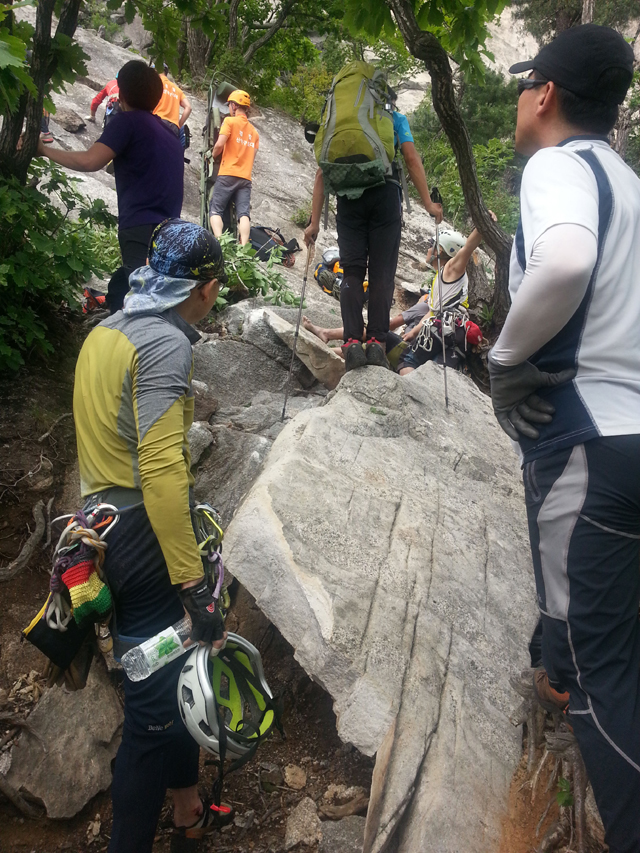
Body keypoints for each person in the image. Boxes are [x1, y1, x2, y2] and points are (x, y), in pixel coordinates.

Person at [487, 25, 638, 853]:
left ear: (543, 93)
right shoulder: (630, 182)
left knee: (600, 676)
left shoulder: (557, 166)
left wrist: (506, 357)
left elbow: (566, 261)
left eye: (523, 85)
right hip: (634, 437)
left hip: (586, 444)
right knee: (616, 649)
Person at [73, 219, 229, 853]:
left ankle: (188, 813)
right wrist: (194, 581)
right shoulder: (166, 343)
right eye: (216, 286)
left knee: (174, 672)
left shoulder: (105, 331)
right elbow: (162, 468)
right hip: (143, 539)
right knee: (150, 711)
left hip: (101, 527)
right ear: (205, 286)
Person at [304, 85, 443, 373]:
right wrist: (429, 204)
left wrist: (314, 222)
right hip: (385, 197)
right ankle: (377, 344)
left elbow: (322, 172)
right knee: (381, 274)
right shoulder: (395, 119)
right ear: (387, 99)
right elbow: (411, 159)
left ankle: (353, 342)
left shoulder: (339, 123)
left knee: (352, 271)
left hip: (349, 199)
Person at [38, 60, 184, 313]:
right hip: (171, 229)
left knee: (139, 298)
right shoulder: (169, 134)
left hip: (140, 225)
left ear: (121, 94)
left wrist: (42, 150)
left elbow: (90, 161)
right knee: (143, 285)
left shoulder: (127, 122)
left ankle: (125, 343)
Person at [398, 218, 493, 374]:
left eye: (431, 246)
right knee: (436, 373)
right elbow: (432, 312)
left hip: (442, 327)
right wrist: (414, 332)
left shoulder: (451, 268)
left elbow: (468, 248)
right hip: (460, 333)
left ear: (440, 250)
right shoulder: (442, 277)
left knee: (406, 362)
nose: (428, 249)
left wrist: (483, 222)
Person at [208, 90, 259, 246]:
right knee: (243, 214)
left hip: (228, 174)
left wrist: (211, 155)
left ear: (234, 106)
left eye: (230, 104)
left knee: (215, 210)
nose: (229, 108)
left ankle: (220, 243)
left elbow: (219, 144)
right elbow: (253, 155)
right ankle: (243, 247)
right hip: (245, 178)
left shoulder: (230, 122)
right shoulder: (254, 132)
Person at [153, 65, 192, 147]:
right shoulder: (177, 89)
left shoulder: (155, 83)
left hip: (158, 122)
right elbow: (188, 107)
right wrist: (179, 125)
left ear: (156, 70)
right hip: (173, 128)